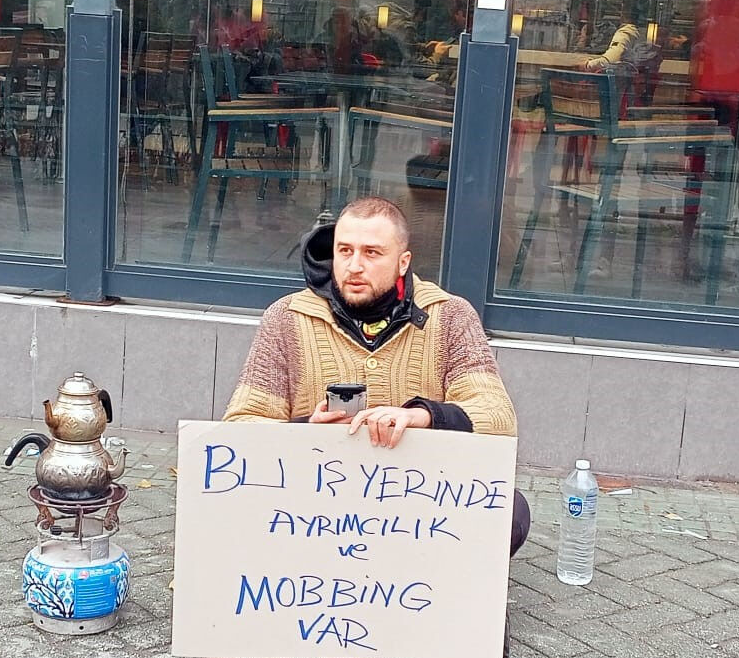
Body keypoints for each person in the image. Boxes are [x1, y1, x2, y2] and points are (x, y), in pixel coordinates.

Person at [224, 198, 532, 556]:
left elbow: (498, 418)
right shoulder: (286, 318)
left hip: (419, 500)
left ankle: (437, 595)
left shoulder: (450, 316)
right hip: (312, 505)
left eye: (372, 253)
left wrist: (423, 416)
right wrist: (306, 426)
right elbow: (239, 427)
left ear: (403, 262)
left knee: (511, 510)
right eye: (345, 250)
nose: (355, 266)